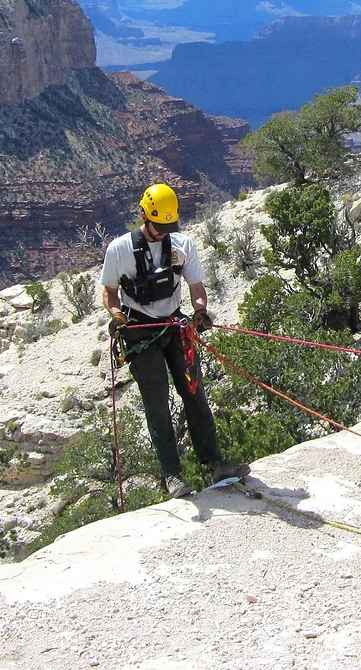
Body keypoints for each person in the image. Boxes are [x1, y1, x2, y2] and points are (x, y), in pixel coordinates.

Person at [100, 182, 249, 498]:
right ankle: (172, 475)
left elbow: (196, 287)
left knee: (194, 392)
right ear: (144, 215)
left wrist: (200, 310)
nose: (163, 233)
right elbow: (110, 292)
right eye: (159, 226)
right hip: (139, 329)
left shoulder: (183, 245)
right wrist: (116, 315)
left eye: (168, 227)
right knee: (157, 404)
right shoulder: (119, 250)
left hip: (174, 324)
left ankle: (215, 463)